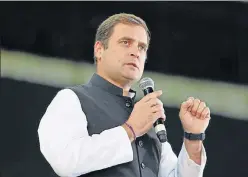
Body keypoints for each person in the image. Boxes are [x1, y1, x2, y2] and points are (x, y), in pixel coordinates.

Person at [38, 13, 210, 177]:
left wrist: (193, 138)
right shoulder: (71, 99)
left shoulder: (148, 122)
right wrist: (130, 129)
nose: (136, 52)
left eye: (142, 47)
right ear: (99, 49)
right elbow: (66, 161)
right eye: (126, 42)